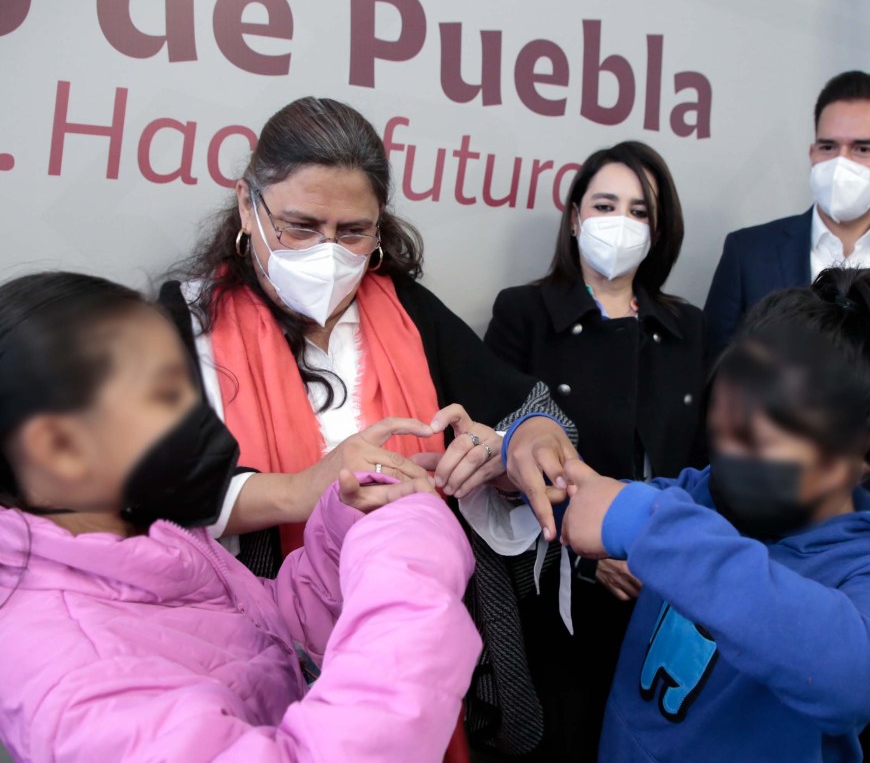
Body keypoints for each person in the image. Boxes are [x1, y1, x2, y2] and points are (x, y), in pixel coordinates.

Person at [160, 96, 579, 755]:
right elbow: (155, 488)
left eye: (353, 231)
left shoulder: (405, 307)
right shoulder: (188, 321)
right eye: (300, 226)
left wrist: (512, 445)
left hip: (415, 646)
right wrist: (310, 486)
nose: (328, 252)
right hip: (264, 642)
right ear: (247, 205)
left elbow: (535, 414)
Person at [0, 272, 482, 762]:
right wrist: (410, 569)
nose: (197, 414)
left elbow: (265, 639)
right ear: (59, 447)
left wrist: (347, 530)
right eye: (165, 395)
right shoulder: (78, 683)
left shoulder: (144, 537)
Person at [557, 267, 870, 762]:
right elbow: (597, 502)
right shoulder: (706, 490)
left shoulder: (855, 565)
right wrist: (518, 455)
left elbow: (850, 679)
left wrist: (647, 526)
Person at [479, 141, 706, 760]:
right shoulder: (524, 312)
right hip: (559, 594)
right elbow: (498, 456)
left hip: (666, 591)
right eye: (606, 205)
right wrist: (586, 557)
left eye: (639, 211)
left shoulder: (689, 329)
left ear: (657, 230)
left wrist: (667, 551)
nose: (620, 223)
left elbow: (707, 460)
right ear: (577, 216)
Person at [704, 70, 870, 358]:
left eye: (862, 148)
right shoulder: (747, 254)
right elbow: (713, 366)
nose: (841, 163)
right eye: (828, 147)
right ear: (812, 154)